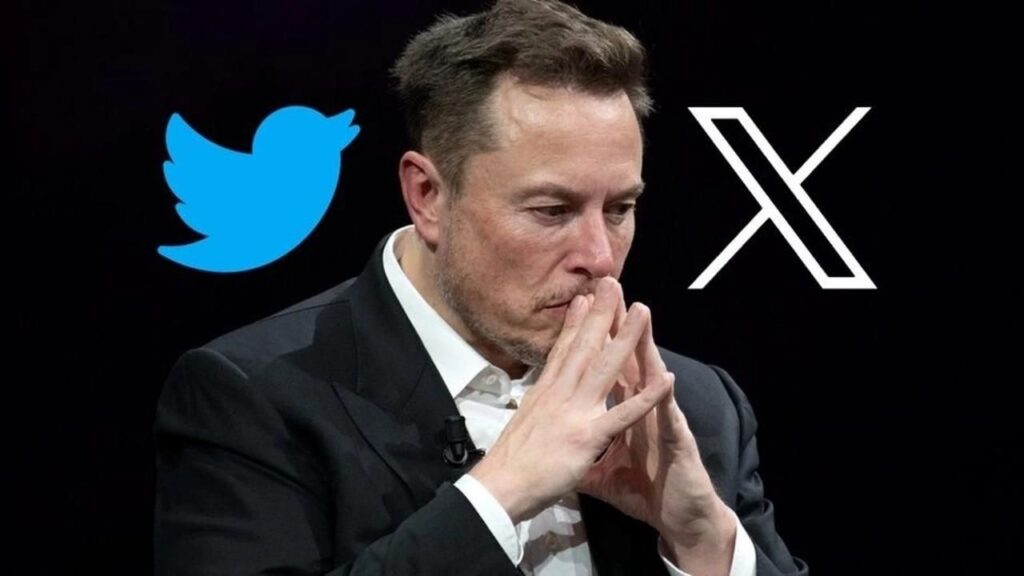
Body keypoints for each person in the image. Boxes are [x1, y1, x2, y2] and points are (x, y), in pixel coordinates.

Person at [153, 1, 807, 574]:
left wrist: (703, 536)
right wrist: (499, 493)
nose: (599, 257)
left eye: (619, 209)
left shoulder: (695, 406)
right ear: (428, 196)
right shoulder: (253, 399)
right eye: (551, 210)